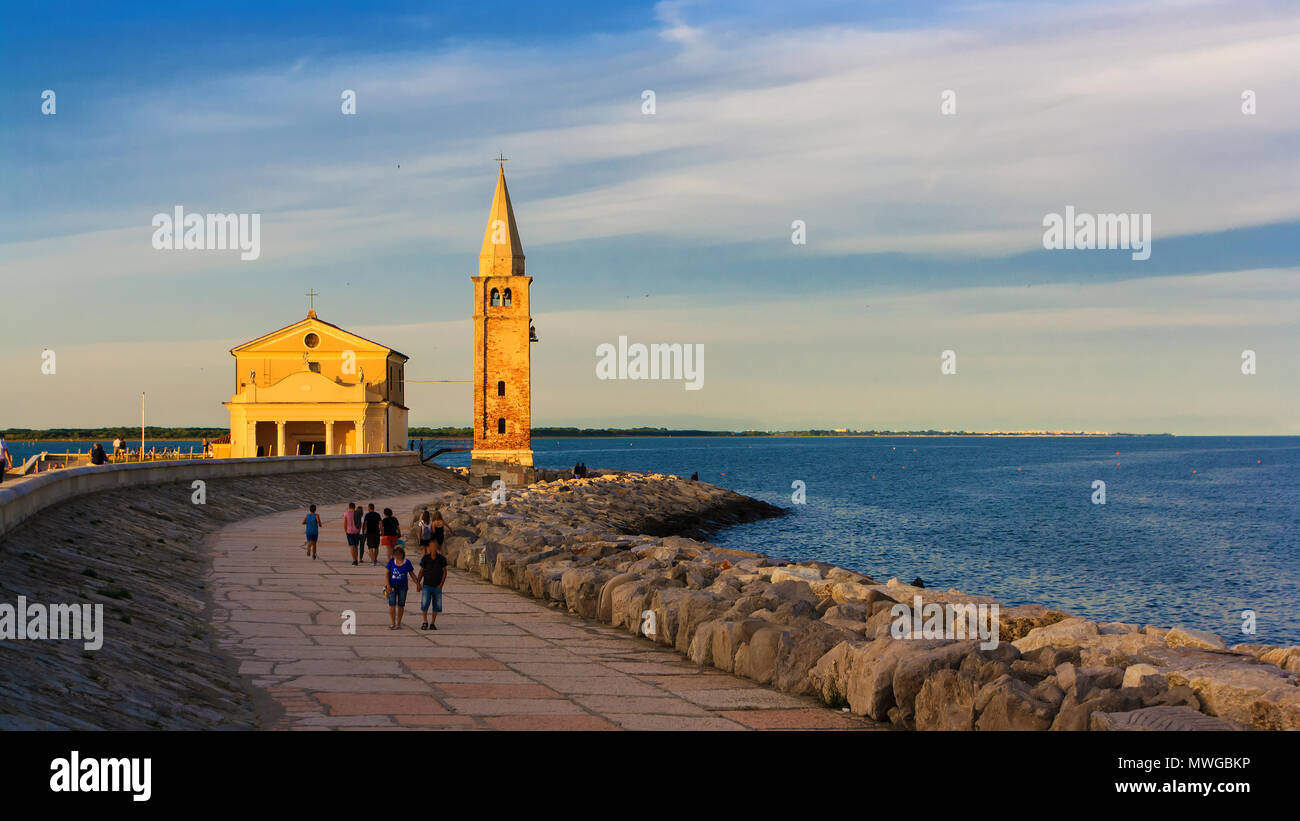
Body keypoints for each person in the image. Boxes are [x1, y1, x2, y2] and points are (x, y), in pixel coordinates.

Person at [415, 539, 448, 630]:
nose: (433, 548)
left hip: (437, 586)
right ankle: (425, 621)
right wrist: (418, 583)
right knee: (425, 604)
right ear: (429, 548)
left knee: (436, 605)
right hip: (426, 585)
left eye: (435, 546)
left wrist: (441, 584)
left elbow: (445, 572)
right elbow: (421, 572)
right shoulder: (425, 558)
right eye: (431, 546)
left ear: (437, 547)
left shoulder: (442, 559)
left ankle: (433, 623)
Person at [384, 546, 415, 629]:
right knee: (392, 604)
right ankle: (393, 623)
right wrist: (388, 585)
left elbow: (411, 573)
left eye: (398, 555)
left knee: (401, 605)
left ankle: (398, 623)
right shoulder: (391, 562)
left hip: (403, 587)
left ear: (402, 554)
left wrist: (417, 583)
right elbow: (387, 574)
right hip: (392, 586)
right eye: (395, 555)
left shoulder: (407, 562)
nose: (396, 557)